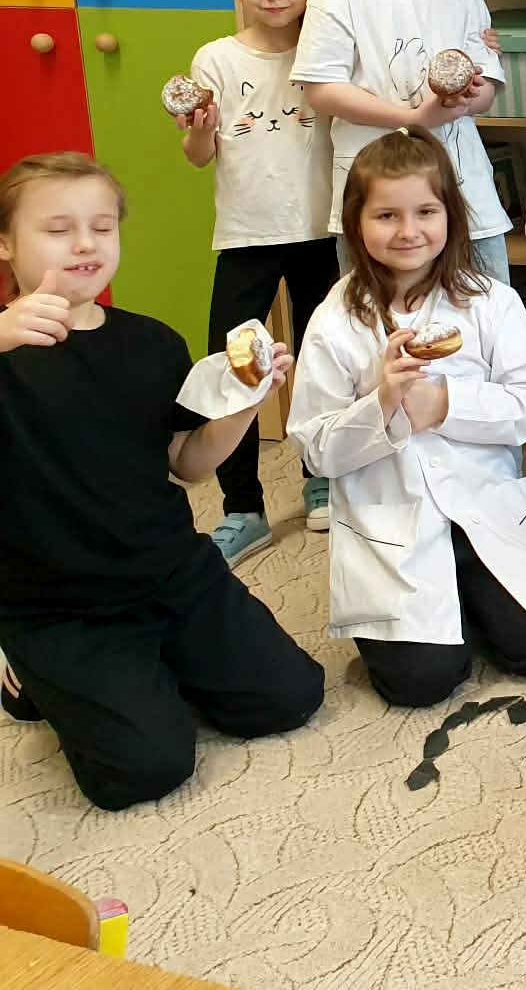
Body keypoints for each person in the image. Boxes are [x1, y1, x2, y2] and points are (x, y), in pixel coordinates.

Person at [0, 152, 323, 810]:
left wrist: (245, 401)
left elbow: (188, 462)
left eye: (102, 226)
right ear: (5, 242)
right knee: (146, 767)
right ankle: (26, 676)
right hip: (58, 606)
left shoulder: (152, 343)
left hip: (172, 573)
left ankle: (145, 667)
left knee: (289, 698)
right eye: (58, 229)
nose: (85, 244)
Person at [288, 130, 526, 708]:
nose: (408, 231)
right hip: (393, 525)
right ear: (356, 223)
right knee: (420, 683)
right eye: (387, 215)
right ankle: (438, 620)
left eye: (425, 211)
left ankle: (473, 596)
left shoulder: (490, 300)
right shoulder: (334, 318)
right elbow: (315, 447)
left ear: (451, 214)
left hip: (483, 510)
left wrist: (446, 404)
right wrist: (382, 405)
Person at [179, 0, 339, 558]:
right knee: (234, 366)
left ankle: (322, 479)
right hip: (246, 234)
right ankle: (242, 506)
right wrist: (200, 128)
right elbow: (198, 155)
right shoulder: (216, 58)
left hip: (321, 230)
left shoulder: (327, 50)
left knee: (324, 358)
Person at [291, 0, 513, 282]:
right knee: (376, 315)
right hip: (377, 200)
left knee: (487, 308)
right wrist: (412, 117)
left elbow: (487, 89)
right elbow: (321, 88)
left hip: (462, 190)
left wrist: (469, 95)